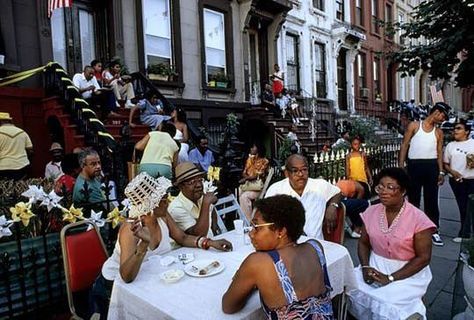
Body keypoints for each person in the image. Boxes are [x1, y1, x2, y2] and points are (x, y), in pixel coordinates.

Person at [102, 173, 232, 283]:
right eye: (164, 200)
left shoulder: (163, 216)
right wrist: (143, 245)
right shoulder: (131, 230)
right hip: (116, 284)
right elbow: (126, 276)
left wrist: (209, 242)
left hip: (152, 278)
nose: (168, 202)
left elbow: (183, 237)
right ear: (151, 206)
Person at [222, 195, 334, 319]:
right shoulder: (315, 247)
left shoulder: (258, 262)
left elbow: (228, 306)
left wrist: (249, 282)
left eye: (256, 227)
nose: (251, 233)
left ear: (280, 232)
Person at [347, 167, 436, 320]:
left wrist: (391, 278)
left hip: (407, 271)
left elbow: (423, 258)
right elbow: (363, 243)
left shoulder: (418, 219)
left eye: (390, 187)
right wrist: (365, 267)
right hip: (375, 265)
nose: (383, 191)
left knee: (389, 303)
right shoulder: (371, 212)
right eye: (380, 186)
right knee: (349, 287)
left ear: (403, 191)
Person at [399, 102, 449, 246]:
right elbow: (404, 145)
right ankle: (412, 230)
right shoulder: (414, 126)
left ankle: (433, 230)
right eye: (442, 116)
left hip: (431, 166)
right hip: (414, 165)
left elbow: (439, 152)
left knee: (431, 199)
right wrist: (401, 166)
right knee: (413, 198)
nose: (442, 119)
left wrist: (440, 171)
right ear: (436, 112)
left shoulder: (438, 132)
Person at [265, 154, 342, 240]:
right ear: (287, 173)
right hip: (285, 245)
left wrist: (333, 206)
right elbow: (265, 216)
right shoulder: (276, 190)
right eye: (295, 171)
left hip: (315, 246)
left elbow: (338, 192)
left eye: (304, 170)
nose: (301, 174)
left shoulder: (319, 186)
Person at [168, 162, 220, 237]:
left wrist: (214, 227)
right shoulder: (176, 208)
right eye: (192, 182)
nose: (199, 185)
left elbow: (212, 210)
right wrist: (205, 204)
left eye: (200, 180)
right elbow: (199, 235)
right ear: (181, 187)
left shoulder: (200, 197)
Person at [443, 120, 474, 242]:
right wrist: (452, 172)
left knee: (470, 207)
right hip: (457, 180)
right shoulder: (451, 146)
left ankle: (466, 233)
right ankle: (464, 233)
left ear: (466, 131)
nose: (455, 131)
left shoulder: (472, 143)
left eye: (459, 128)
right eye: (455, 128)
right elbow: (445, 164)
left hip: (472, 179)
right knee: (463, 206)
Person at [239, 143, 270, 221]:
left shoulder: (265, 161)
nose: (251, 149)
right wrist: (247, 177)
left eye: (253, 147)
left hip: (258, 187)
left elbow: (257, 175)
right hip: (249, 185)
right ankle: (244, 217)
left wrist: (246, 179)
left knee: (244, 197)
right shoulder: (250, 159)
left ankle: (248, 221)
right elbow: (244, 172)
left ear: (258, 148)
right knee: (239, 191)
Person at [0, 112, 33, 180]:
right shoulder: (22, 132)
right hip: (22, 165)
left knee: (5, 189)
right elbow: (30, 150)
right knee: (21, 189)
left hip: (4, 167)